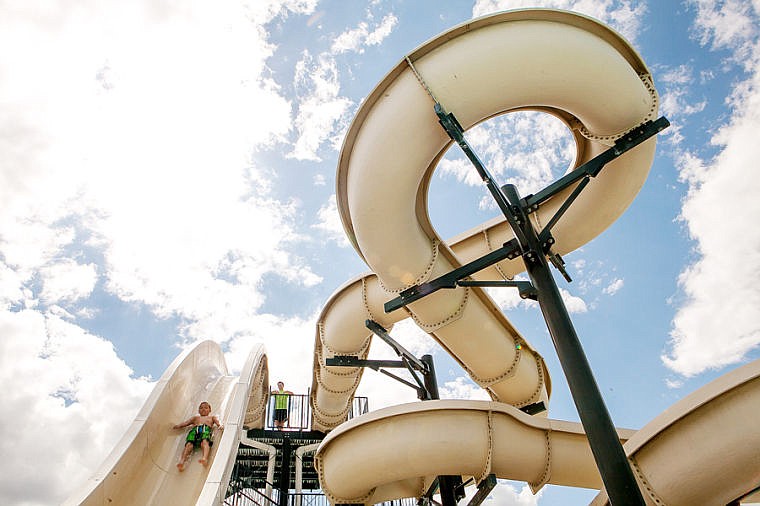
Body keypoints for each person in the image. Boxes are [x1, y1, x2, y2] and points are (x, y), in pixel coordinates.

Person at [173, 401, 223, 471]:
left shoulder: (212, 417)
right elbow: (186, 423)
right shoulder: (195, 418)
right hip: (195, 430)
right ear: (198, 410)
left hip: (205, 430)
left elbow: (218, 422)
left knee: (204, 442)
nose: (203, 409)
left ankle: (204, 458)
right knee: (189, 444)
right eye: (201, 408)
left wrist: (220, 425)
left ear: (210, 410)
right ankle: (182, 461)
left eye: (206, 408)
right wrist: (178, 426)